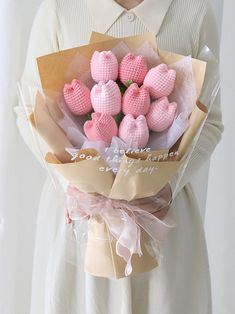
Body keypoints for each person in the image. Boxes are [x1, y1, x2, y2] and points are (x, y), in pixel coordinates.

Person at [15, 0, 224, 313]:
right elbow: (29, 111)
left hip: (160, 219)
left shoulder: (193, 12)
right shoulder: (59, 10)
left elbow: (211, 121)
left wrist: (160, 186)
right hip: (81, 222)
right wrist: (78, 187)